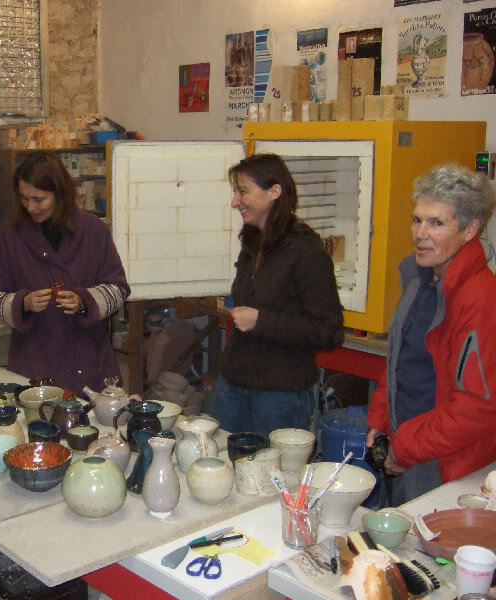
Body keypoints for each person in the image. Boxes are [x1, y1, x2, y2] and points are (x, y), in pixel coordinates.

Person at [366, 163, 496, 505]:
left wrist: (404, 448)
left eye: (436, 223)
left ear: (470, 229)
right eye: (417, 219)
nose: (420, 233)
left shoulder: (480, 299)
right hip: (408, 451)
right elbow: (398, 362)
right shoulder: (421, 280)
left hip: (446, 466)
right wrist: (380, 421)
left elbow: (476, 409)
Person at [210, 153, 344, 438]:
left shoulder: (306, 252)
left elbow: (329, 332)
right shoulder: (252, 242)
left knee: (272, 479)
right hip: (233, 385)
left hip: (280, 396)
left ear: (274, 192)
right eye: (235, 192)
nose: (235, 202)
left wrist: (262, 320)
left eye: (243, 192)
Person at [0, 151, 130, 394]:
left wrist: (85, 301)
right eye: (24, 198)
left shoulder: (94, 231)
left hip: (89, 364)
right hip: (33, 365)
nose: (30, 207)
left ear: (59, 193)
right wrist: (22, 303)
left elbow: (118, 288)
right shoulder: (10, 237)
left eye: (39, 199)